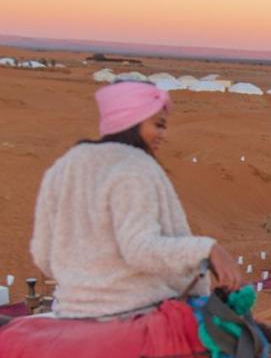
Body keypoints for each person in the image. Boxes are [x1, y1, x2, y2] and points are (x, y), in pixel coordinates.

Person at [30, 81, 243, 318]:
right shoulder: (133, 166)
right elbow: (139, 249)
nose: (163, 134)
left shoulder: (64, 165)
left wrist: (84, 285)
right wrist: (208, 250)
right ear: (131, 120)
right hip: (137, 313)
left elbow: (42, 254)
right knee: (249, 346)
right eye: (158, 125)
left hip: (70, 311)